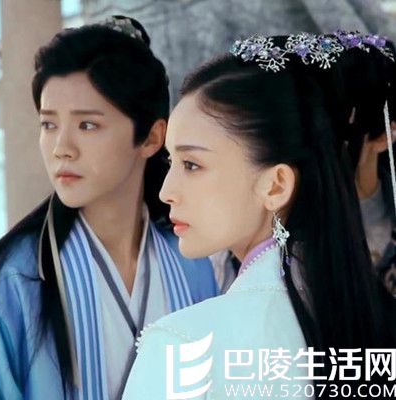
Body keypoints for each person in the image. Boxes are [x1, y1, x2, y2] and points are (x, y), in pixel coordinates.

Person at [0, 16, 218, 400]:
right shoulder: (9, 282)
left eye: (87, 125)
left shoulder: (193, 263)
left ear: (152, 137)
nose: (61, 148)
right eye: (49, 125)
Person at [123, 31, 396, 399]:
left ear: (275, 185)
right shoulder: (374, 322)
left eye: (192, 164)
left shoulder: (183, 348)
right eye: (171, 162)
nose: (165, 191)